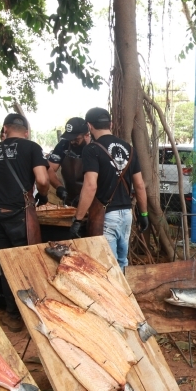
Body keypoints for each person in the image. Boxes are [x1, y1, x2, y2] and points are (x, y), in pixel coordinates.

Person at [0, 113, 50, 330]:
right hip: (18, 214)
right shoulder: (31, 147)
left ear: (5, 129)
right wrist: (45, 195)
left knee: (6, 263)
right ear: (26, 132)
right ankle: (35, 314)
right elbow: (42, 179)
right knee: (27, 263)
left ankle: (12, 316)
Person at [71, 107, 149, 270]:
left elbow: (90, 185)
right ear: (111, 124)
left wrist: (78, 219)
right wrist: (143, 214)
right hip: (127, 214)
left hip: (106, 216)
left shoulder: (91, 149)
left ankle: (116, 295)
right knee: (122, 263)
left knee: (109, 266)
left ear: (89, 126)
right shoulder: (129, 149)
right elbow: (140, 185)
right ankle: (124, 294)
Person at [46, 117, 91, 206]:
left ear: (86, 135)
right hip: (70, 199)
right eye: (70, 139)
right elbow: (49, 169)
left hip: (92, 198)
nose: (72, 142)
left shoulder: (95, 146)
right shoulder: (64, 144)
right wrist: (59, 187)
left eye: (76, 139)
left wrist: (85, 195)